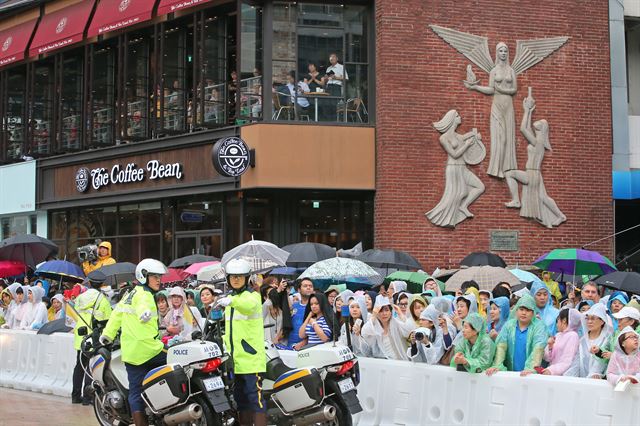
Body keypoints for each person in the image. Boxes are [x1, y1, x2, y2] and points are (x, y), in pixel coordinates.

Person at [100, 259, 168, 426]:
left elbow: (116, 315)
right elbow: (143, 306)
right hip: (151, 350)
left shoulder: (129, 295)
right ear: (144, 276)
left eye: (159, 276)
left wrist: (106, 336)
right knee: (178, 366)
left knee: (135, 391)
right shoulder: (144, 295)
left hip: (132, 353)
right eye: (155, 276)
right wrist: (144, 313)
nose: (159, 280)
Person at [216, 259, 266, 426]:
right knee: (240, 399)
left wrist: (231, 301)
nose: (236, 279)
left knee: (256, 399)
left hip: (250, 358)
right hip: (234, 359)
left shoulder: (252, 296)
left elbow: (248, 306)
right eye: (232, 277)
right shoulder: (230, 298)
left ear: (247, 278)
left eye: (240, 276)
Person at [72, 275, 112, 405]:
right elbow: (107, 319)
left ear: (89, 283)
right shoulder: (103, 300)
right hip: (93, 337)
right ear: (101, 285)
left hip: (80, 336)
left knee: (79, 366)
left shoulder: (81, 297)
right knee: (91, 367)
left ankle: (75, 396)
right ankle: (87, 398)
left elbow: (76, 311)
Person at [486, 294, 548, 376]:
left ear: (533, 313)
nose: (524, 313)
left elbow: (538, 348)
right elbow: (501, 346)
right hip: (511, 374)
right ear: (516, 310)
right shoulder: (509, 325)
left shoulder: (539, 326)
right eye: (521, 309)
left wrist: (531, 368)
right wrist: (497, 365)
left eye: (528, 310)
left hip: (531, 375)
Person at [565, 303, 612, 378]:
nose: (589, 321)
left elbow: (602, 363)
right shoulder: (582, 341)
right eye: (587, 318)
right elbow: (576, 363)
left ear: (602, 321)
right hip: (582, 382)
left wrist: (595, 374)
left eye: (593, 318)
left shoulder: (608, 340)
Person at [362, 295, 411, 360]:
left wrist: (400, 313)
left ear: (391, 312)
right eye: (381, 311)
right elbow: (364, 333)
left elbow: (408, 330)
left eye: (387, 310)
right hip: (384, 364)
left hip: (401, 362)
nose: (384, 313)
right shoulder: (374, 327)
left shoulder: (396, 323)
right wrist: (373, 315)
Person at [541, 308, 580, 375]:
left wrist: (551, 370)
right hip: (552, 373)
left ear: (564, 320)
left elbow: (567, 361)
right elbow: (547, 358)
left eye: (558, 319)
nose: (557, 322)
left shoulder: (573, 336)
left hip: (563, 376)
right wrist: (550, 346)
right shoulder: (558, 335)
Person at [288, 278, 314, 350]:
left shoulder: (316, 308)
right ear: (299, 289)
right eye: (305, 286)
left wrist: (304, 342)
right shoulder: (294, 306)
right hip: (291, 345)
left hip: (307, 347)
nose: (308, 287)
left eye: (310, 286)